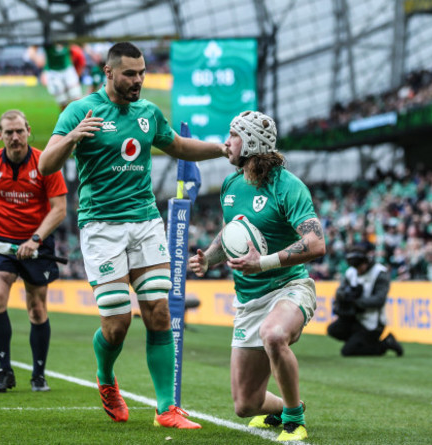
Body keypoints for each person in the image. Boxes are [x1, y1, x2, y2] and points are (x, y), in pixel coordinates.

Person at [38, 41, 227, 429]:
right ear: (109, 73)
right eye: (130, 73)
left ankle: (165, 409)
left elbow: (177, 145)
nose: (138, 80)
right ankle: (106, 379)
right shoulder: (80, 110)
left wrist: (221, 150)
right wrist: (74, 137)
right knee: (117, 323)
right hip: (101, 227)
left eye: (141, 73)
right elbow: (44, 164)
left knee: (158, 312)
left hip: (144, 222)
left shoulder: (148, 113)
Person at [188, 110, 326, 442]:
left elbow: (315, 242)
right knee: (246, 405)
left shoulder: (288, 186)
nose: (226, 142)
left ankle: (294, 421)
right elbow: (229, 234)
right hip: (249, 300)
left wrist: (262, 263)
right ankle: (290, 405)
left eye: (233, 135)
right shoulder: (232, 184)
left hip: (289, 287)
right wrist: (208, 259)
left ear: (251, 140)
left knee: (274, 334)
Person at [0, 109, 67, 393]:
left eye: (19, 131)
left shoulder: (45, 163)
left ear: (28, 131)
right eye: (9, 132)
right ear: (0, 135)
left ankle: (38, 375)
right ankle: (4, 371)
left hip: (37, 243)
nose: (15, 137)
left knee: (37, 311)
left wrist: (35, 239)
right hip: (1, 243)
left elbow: (60, 209)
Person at [327, 244, 404, 357]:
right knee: (333, 330)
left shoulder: (379, 273)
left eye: (359, 266)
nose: (357, 270)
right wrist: (344, 296)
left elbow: (379, 300)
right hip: (355, 318)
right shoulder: (351, 272)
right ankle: (358, 342)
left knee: (347, 352)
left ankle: (386, 343)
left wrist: (356, 302)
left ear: (365, 262)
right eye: (355, 267)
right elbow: (339, 291)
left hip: (373, 323)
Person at [26, 43, 82, 110]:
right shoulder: (47, 37)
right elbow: (32, 50)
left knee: (76, 98)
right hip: (54, 73)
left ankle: (80, 119)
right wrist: (39, 60)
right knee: (62, 102)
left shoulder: (65, 36)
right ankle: (66, 119)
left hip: (68, 70)